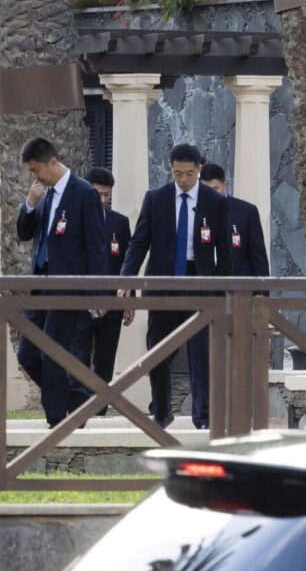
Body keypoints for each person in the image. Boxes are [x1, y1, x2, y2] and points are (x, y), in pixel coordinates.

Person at [118, 144, 231, 430]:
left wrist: (227, 290)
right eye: (178, 173)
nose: (184, 179)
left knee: (200, 352)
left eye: (190, 174)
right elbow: (139, 243)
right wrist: (127, 282)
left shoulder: (214, 201)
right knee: (158, 349)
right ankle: (162, 411)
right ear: (171, 169)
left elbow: (225, 251)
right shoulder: (156, 199)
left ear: (199, 170)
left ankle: (203, 416)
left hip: (199, 281)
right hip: (162, 281)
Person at [16, 137, 106, 426]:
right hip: (39, 286)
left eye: (36, 169)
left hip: (67, 287)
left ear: (52, 162)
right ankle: (80, 400)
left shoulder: (83, 194)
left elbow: (96, 246)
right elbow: (24, 233)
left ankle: (58, 422)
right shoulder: (44, 194)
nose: (34, 176)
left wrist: (98, 293)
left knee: (53, 354)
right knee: (28, 354)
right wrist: (29, 203)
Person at [68, 166, 131, 415]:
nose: (103, 200)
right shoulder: (74, 219)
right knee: (79, 358)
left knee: (105, 360)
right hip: (81, 303)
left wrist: (128, 300)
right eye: (98, 194)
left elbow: (127, 263)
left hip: (112, 305)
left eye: (107, 195)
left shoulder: (120, 222)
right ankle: (81, 409)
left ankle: (101, 411)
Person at [200, 163, 269, 280]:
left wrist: (262, 292)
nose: (210, 195)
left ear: (224, 185)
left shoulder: (246, 211)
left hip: (239, 286)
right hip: (205, 287)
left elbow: (258, 257)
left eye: (215, 189)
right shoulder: (195, 211)